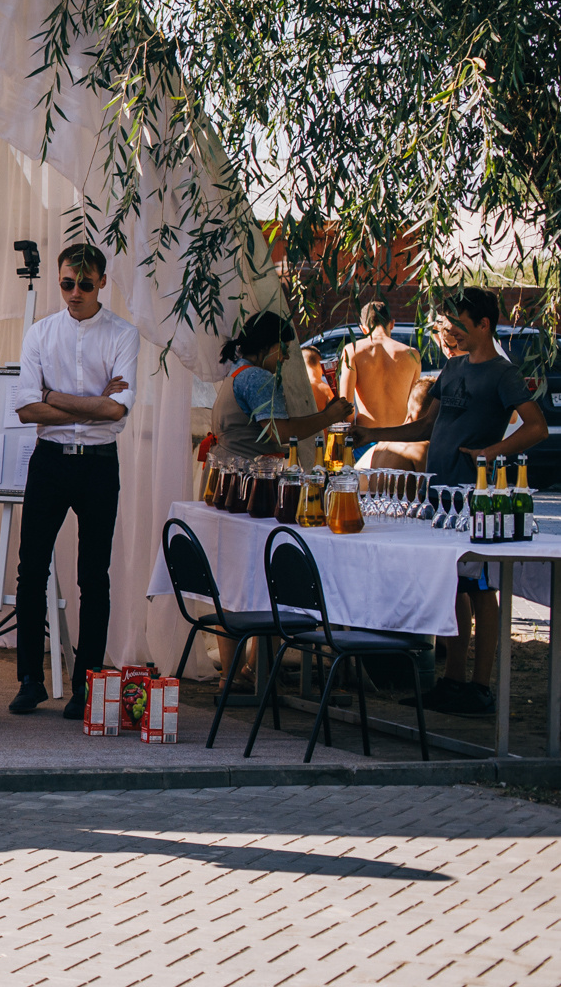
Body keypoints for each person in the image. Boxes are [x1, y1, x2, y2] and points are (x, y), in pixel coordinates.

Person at [354, 288, 551, 714]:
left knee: (482, 587)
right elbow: (426, 425)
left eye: (459, 322)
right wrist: (374, 434)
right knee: (454, 586)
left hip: (474, 498)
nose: (451, 330)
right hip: (439, 498)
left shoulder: (503, 373)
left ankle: (480, 687)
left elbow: (537, 427)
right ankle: (452, 680)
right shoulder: (452, 367)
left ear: (483, 324)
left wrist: (491, 453)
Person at [12, 244, 140, 719]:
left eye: (85, 284)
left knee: (94, 576)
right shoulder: (41, 333)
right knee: (31, 570)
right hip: (49, 460)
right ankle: (30, 679)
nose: (75, 293)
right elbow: (26, 409)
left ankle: (87, 684)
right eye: (67, 283)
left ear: (102, 282)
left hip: (99, 463)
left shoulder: (123, 334)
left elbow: (117, 409)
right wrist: (88, 400)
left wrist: (52, 395)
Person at [210, 311, 352, 465]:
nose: (286, 357)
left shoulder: (238, 370)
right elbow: (282, 433)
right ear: (265, 346)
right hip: (242, 473)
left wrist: (325, 413)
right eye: (284, 349)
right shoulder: (256, 377)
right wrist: (328, 417)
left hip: (225, 467)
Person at [343, 301, 426, 469]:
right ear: (392, 323)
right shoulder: (412, 354)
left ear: (363, 327)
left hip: (363, 439)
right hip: (399, 441)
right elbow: (415, 406)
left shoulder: (352, 350)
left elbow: (345, 407)